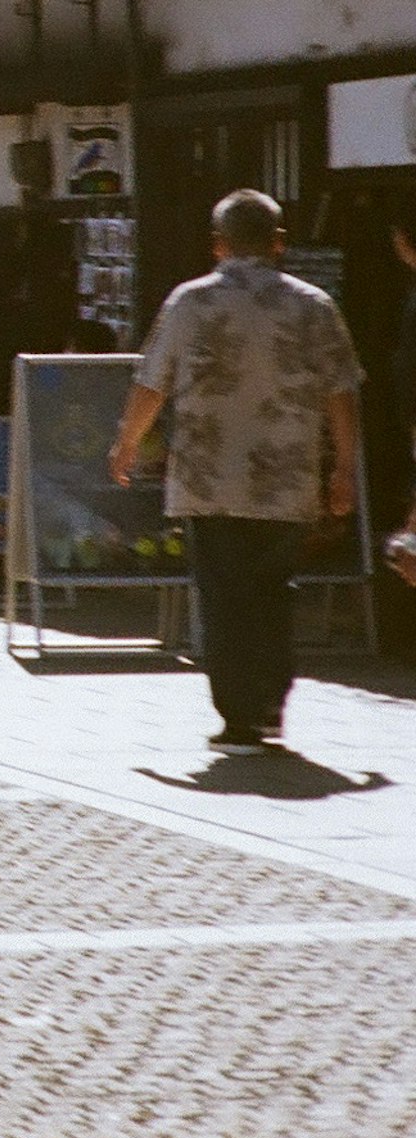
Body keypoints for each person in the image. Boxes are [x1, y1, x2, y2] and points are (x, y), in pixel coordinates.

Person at [110, 189, 365, 751]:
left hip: (209, 476)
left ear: (218, 245)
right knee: (273, 591)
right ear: (279, 244)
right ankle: (270, 706)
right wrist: (344, 468)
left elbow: (152, 380)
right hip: (288, 477)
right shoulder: (312, 304)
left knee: (224, 596)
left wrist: (128, 442)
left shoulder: (190, 301)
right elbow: (342, 392)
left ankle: (240, 718)